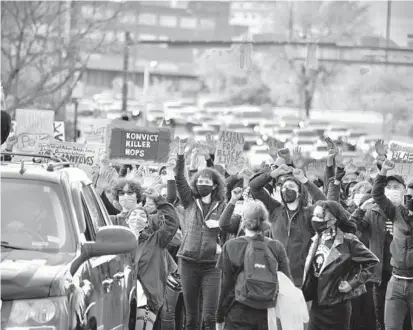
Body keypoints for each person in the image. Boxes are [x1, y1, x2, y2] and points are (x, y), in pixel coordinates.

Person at [174, 138, 228, 330]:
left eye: (207, 181)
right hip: (188, 262)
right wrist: (181, 155)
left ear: (214, 186)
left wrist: (219, 227)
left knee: (209, 317)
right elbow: (180, 179)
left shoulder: (222, 206)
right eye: (200, 181)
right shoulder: (189, 201)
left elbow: (229, 224)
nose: (203, 183)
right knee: (191, 318)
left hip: (212, 265)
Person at [302, 200, 379, 330]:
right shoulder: (317, 238)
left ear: (332, 220)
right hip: (316, 303)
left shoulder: (348, 240)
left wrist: (352, 283)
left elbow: (373, 263)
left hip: (337, 304)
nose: (314, 220)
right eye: (313, 216)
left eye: (319, 216)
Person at [216, 200, 292, 330]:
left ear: (243, 220)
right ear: (265, 222)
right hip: (266, 312)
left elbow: (226, 286)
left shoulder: (231, 245)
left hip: (238, 309)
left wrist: (219, 317)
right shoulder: (276, 246)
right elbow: (286, 282)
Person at [249, 165, 326, 287]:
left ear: (299, 193)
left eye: (291, 186)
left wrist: (304, 181)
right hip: (275, 274)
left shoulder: (309, 214)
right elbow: (254, 186)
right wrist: (273, 173)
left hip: (302, 278)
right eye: (284, 187)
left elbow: (324, 203)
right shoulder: (275, 210)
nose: (286, 189)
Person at [372, 158, 413, 330]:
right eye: (409, 195)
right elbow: (377, 195)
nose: (411, 198)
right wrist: (382, 173)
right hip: (396, 281)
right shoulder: (396, 212)